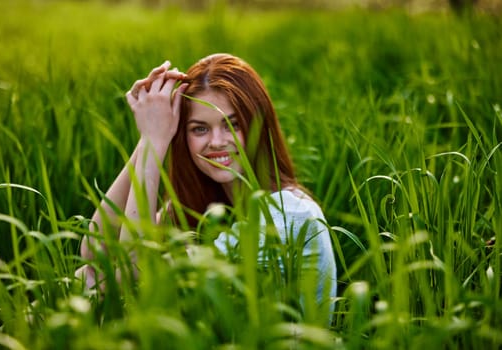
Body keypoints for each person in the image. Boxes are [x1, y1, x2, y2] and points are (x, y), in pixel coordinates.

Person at [76, 53, 336, 318]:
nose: (217, 141)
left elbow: (138, 272)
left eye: (232, 125)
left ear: (259, 124)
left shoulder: (286, 214)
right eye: (199, 129)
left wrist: (153, 141)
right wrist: (148, 138)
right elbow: (95, 254)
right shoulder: (211, 205)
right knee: (84, 279)